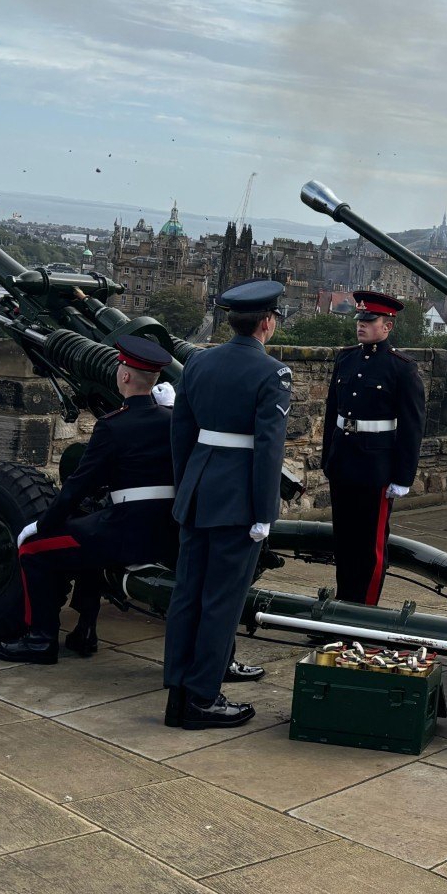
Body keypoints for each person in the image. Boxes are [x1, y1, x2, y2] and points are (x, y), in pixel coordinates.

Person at [0, 335, 181, 665]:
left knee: (34, 551)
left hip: (126, 535)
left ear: (124, 376)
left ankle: (39, 639)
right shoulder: (173, 422)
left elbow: (78, 486)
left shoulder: (113, 426)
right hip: (166, 534)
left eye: (121, 367)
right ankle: (85, 630)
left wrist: (41, 524)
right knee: (88, 538)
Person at [165, 280, 292, 731]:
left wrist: (186, 489)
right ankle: (203, 698)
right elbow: (268, 449)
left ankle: (179, 691)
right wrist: (264, 513)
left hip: (197, 492)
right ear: (267, 323)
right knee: (221, 601)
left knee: (187, 595)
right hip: (237, 500)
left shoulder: (198, 362)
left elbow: (181, 433)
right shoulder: (271, 373)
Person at [322, 290, 427, 605]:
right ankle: (343, 607)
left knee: (370, 547)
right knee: (343, 542)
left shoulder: (401, 368)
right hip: (344, 464)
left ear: (388, 326)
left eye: (369, 320)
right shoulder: (346, 358)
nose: (361, 325)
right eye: (360, 319)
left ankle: (363, 615)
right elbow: (333, 414)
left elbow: (412, 426)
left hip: (375, 468)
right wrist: (329, 457)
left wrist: (403, 477)